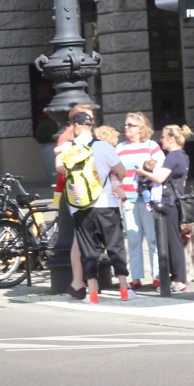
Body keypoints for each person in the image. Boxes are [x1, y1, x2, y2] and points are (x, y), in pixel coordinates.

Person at [58, 111, 129, 303]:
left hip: (81, 206)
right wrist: (112, 175)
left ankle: (93, 292)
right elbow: (122, 171)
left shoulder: (69, 148)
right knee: (115, 246)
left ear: (76, 126)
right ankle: (123, 288)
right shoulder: (104, 146)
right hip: (107, 202)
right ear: (91, 126)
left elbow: (60, 168)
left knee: (88, 249)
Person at [137, 123, 194, 292]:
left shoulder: (173, 156)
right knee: (172, 240)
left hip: (168, 203)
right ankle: (176, 279)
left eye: (162, 136)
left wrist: (142, 172)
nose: (160, 140)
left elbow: (160, 178)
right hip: (173, 202)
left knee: (172, 242)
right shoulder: (183, 155)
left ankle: (179, 280)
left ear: (171, 139)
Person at [114, 112, 164, 290]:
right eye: (126, 125)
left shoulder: (152, 146)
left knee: (153, 238)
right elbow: (114, 172)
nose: (126, 128)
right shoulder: (120, 148)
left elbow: (161, 170)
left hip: (148, 200)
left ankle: (157, 275)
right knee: (134, 239)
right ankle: (136, 277)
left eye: (131, 125)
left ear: (141, 128)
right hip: (128, 200)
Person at [54, 103, 95, 297]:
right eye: (87, 117)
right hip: (77, 192)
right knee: (80, 238)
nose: (91, 121)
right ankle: (79, 281)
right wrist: (77, 172)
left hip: (89, 192)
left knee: (84, 237)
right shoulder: (69, 138)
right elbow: (59, 164)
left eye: (92, 117)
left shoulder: (90, 139)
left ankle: (81, 281)